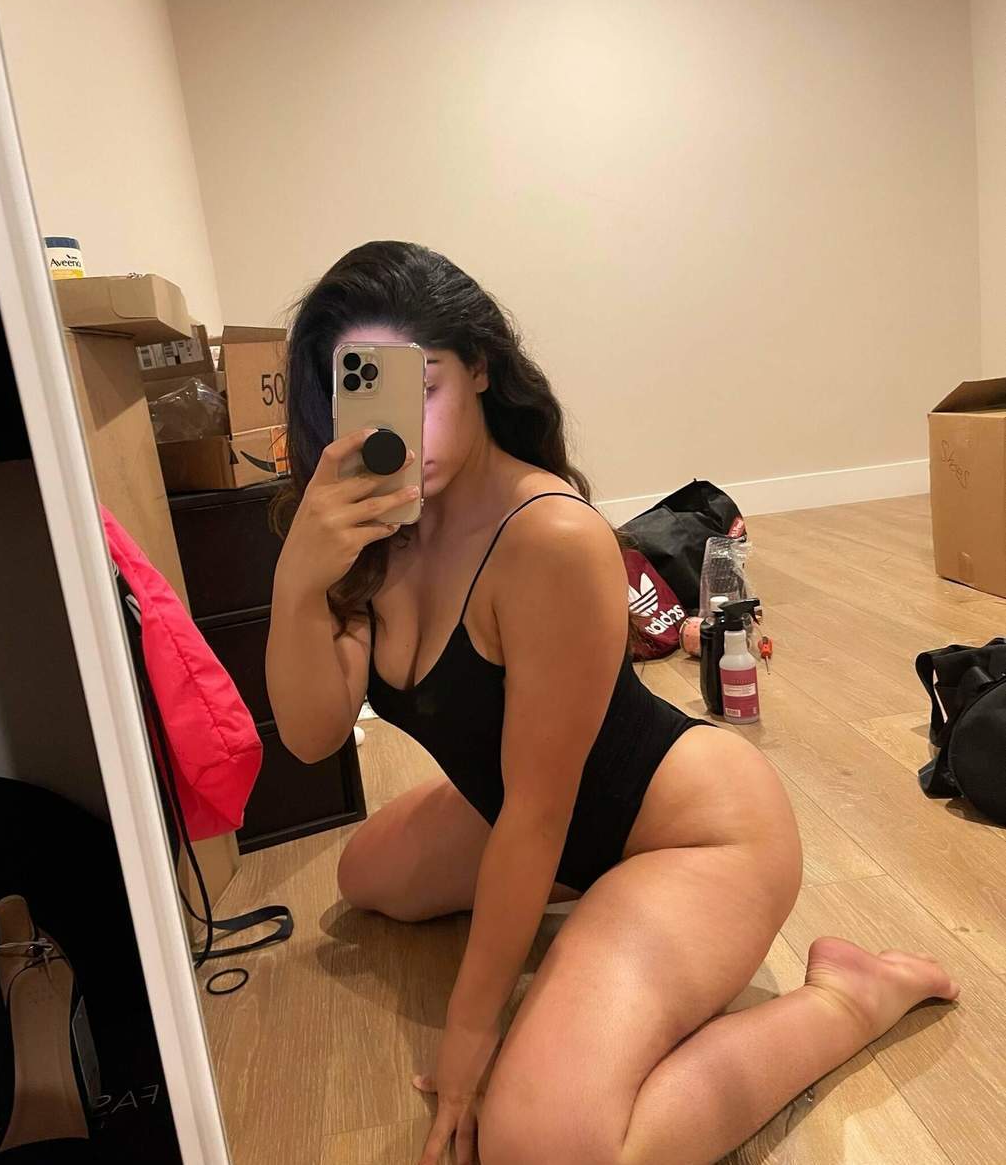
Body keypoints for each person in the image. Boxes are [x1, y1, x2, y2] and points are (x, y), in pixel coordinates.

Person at [266, 241, 958, 1165]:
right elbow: (313, 734)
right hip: (540, 807)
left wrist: (472, 1032)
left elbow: (537, 813)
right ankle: (591, 918)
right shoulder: (374, 531)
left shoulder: (548, 535)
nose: (404, 434)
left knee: (539, 1143)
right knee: (365, 879)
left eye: (423, 387)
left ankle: (849, 995)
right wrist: (296, 578)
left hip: (691, 830)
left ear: (478, 368)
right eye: (370, 399)